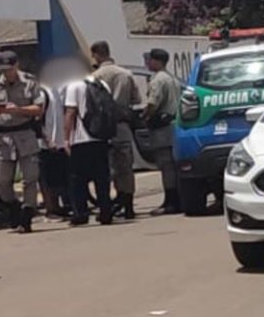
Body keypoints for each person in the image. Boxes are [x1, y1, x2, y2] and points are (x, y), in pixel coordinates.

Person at [0, 51, 44, 233]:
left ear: (16, 65)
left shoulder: (30, 81)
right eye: (4, 70)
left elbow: (38, 108)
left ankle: (27, 214)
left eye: (9, 69)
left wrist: (18, 109)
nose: (7, 73)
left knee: (30, 177)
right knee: (2, 180)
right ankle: (13, 207)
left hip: (25, 133)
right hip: (4, 137)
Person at [92, 41, 141, 220]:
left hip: (103, 129)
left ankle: (117, 200)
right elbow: (136, 99)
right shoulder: (126, 74)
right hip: (122, 125)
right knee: (126, 167)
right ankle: (128, 205)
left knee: (111, 167)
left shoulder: (94, 77)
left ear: (96, 54)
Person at [64, 62, 113, 226]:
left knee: (77, 179)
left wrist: (65, 138)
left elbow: (70, 113)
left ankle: (81, 213)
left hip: (81, 138)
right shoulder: (102, 85)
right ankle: (106, 212)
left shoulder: (74, 86)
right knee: (102, 177)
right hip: (101, 137)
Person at [142, 48, 181, 215]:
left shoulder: (158, 80)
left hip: (162, 129)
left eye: (149, 60)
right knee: (173, 165)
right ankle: (177, 199)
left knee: (166, 166)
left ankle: (170, 202)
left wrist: (145, 116)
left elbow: (153, 103)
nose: (147, 63)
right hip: (174, 126)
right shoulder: (173, 79)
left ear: (157, 61)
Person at [39, 82, 69, 218]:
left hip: (58, 141)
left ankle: (58, 207)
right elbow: (37, 119)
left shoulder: (56, 90)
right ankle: (51, 208)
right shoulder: (41, 91)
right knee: (47, 178)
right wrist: (47, 139)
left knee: (57, 176)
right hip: (45, 143)